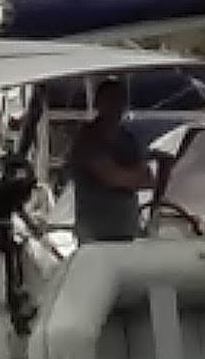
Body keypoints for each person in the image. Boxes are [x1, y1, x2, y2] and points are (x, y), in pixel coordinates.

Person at [65, 79, 156, 243]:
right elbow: (112, 176)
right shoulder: (87, 139)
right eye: (111, 99)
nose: (116, 105)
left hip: (126, 228)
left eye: (120, 100)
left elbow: (148, 179)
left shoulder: (128, 139)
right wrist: (132, 177)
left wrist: (128, 177)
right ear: (98, 103)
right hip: (94, 232)